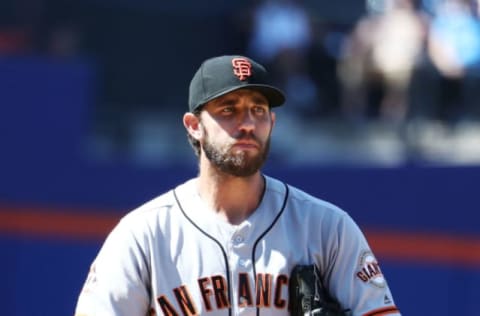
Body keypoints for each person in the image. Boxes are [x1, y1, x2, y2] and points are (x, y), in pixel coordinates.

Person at [74, 55, 401, 316]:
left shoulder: (328, 228)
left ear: (272, 123)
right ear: (194, 126)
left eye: (258, 110)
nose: (247, 124)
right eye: (228, 110)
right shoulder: (143, 234)